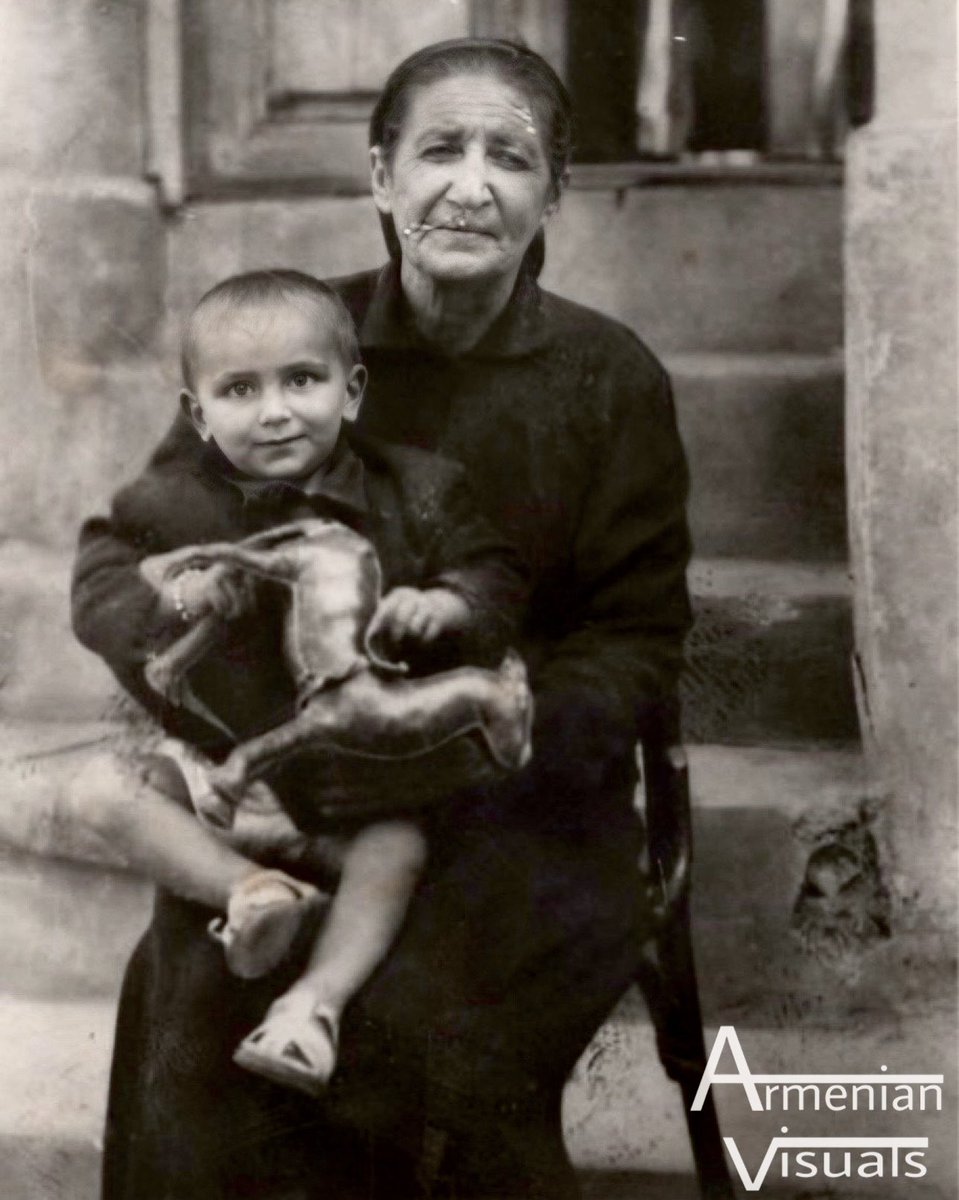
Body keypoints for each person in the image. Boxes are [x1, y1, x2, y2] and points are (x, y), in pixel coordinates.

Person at [71, 37, 692, 1200]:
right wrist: (202, 666)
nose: (468, 185)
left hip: (522, 798)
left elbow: (638, 642)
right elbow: (134, 561)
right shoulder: (291, 347)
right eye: (436, 151)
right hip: (306, 793)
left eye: (507, 158)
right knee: (202, 991)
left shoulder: (609, 379)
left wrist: (475, 745)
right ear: (377, 178)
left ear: (551, 192)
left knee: (416, 1022)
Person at [72, 269, 530, 1096]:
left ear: (351, 392)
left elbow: (495, 575)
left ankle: (311, 1010)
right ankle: (253, 894)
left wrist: (448, 603)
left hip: (352, 797)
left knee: (399, 847)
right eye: (240, 390)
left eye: (303, 381)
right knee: (102, 791)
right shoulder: (166, 503)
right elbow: (97, 591)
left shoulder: (421, 490)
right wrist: (178, 592)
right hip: (219, 782)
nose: (276, 410)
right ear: (196, 413)